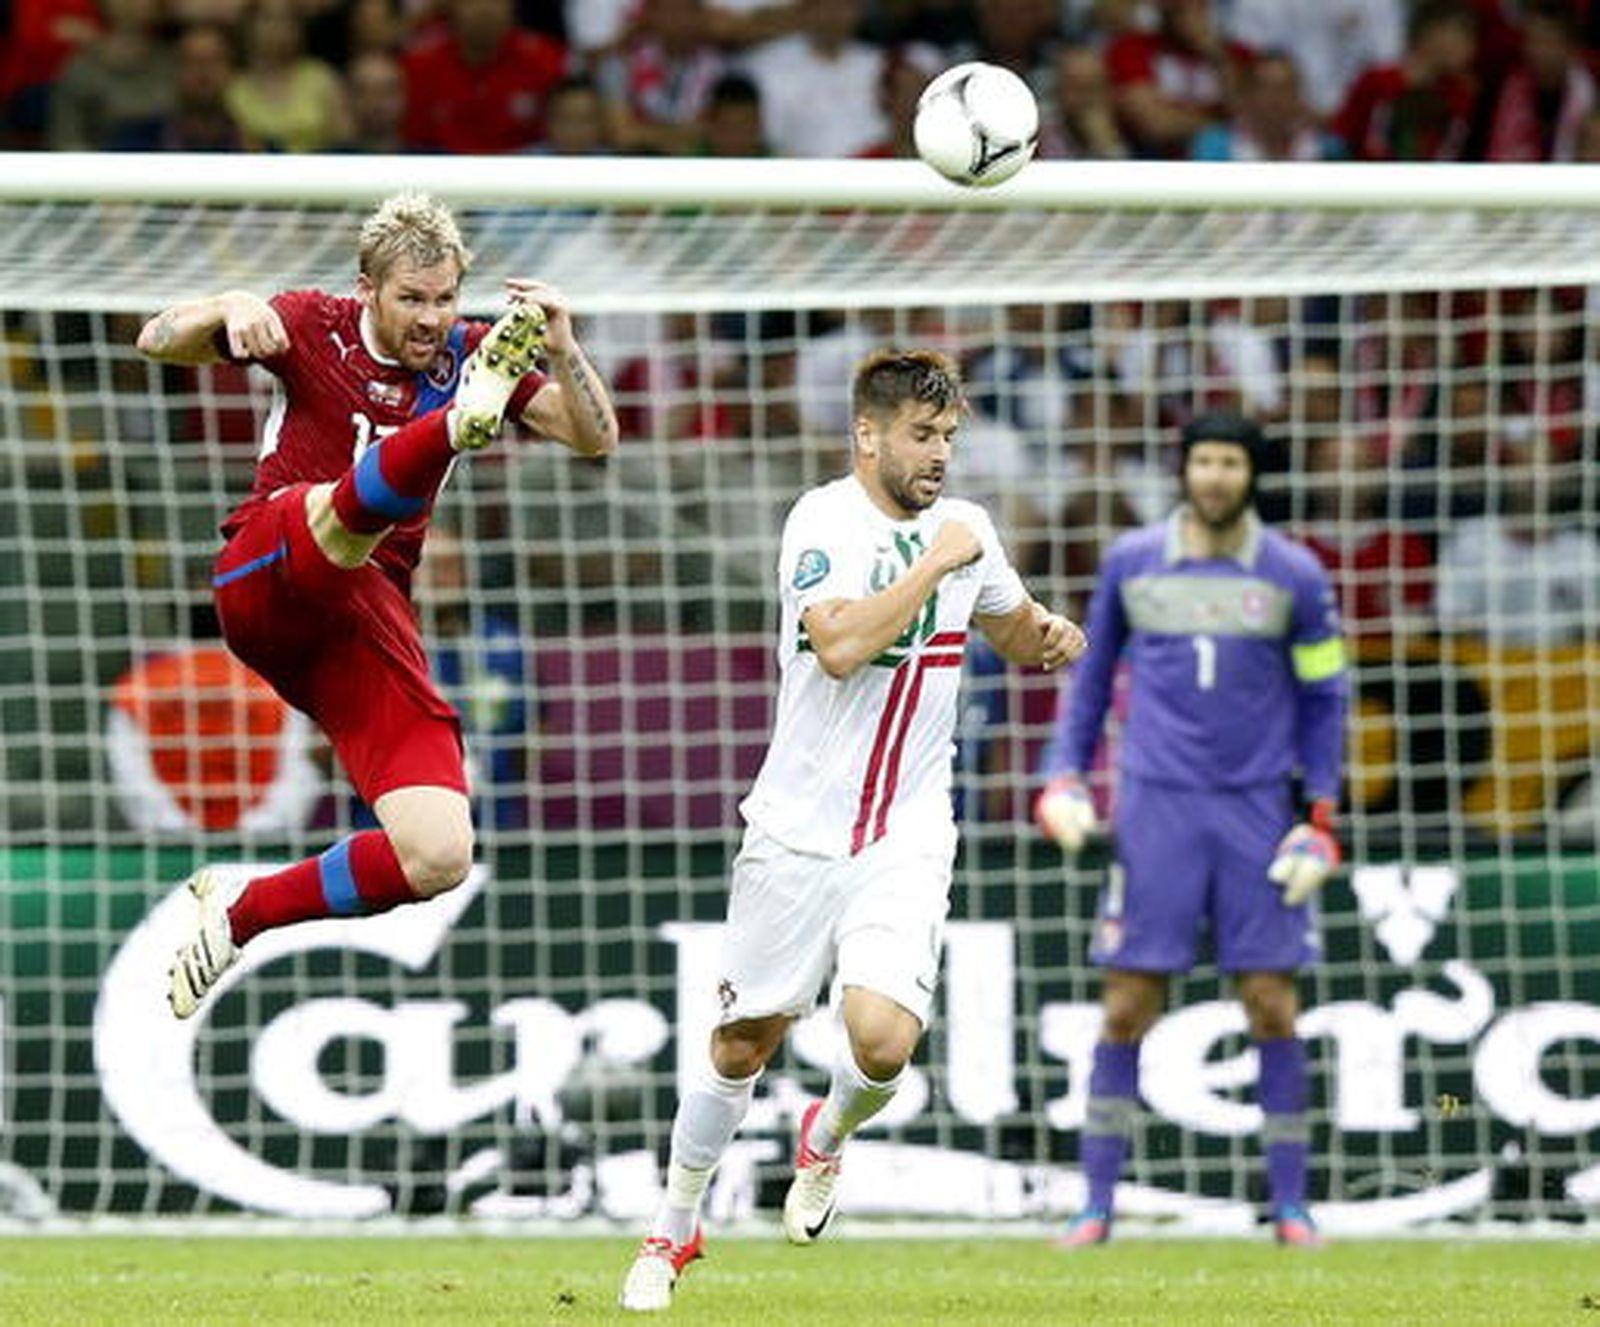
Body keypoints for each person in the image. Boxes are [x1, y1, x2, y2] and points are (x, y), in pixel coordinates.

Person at [618, 349, 1085, 1312]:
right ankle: (673, 1227)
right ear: (868, 435)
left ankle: (825, 1138)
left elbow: (1007, 623)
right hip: (795, 831)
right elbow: (837, 646)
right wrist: (936, 561)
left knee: (881, 1042)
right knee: (742, 1044)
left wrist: (1048, 633)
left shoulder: (968, 528)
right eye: (922, 435)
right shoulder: (823, 522)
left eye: (948, 436)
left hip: (907, 830)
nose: (940, 454)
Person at [135, 191, 618, 1019]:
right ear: (367, 288)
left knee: (439, 851)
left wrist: (565, 346)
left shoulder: (471, 350)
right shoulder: (310, 323)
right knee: (331, 519)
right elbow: (157, 339)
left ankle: (242, 913)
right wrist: (228, 304)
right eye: (412, 298)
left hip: (363, 615)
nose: (432, 318)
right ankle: (451, 429)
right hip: (270, 569)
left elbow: (595, 436)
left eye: (446, 298)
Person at [1035, 412, 1347, 1249]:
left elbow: (1325, 696)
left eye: (1229, 462)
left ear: (1252, 473)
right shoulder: (1133, 560)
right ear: (1184, 469)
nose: (1214, 475)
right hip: (1156, 807)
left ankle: (1291, 1206)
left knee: (1271, 1003)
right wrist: (1064, 773)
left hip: (1257, 808)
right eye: (1203, 460)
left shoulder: (1295, 574)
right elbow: (1090, 678)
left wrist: (1321, 812)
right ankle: (1096, 1205)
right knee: (1127, 1002)